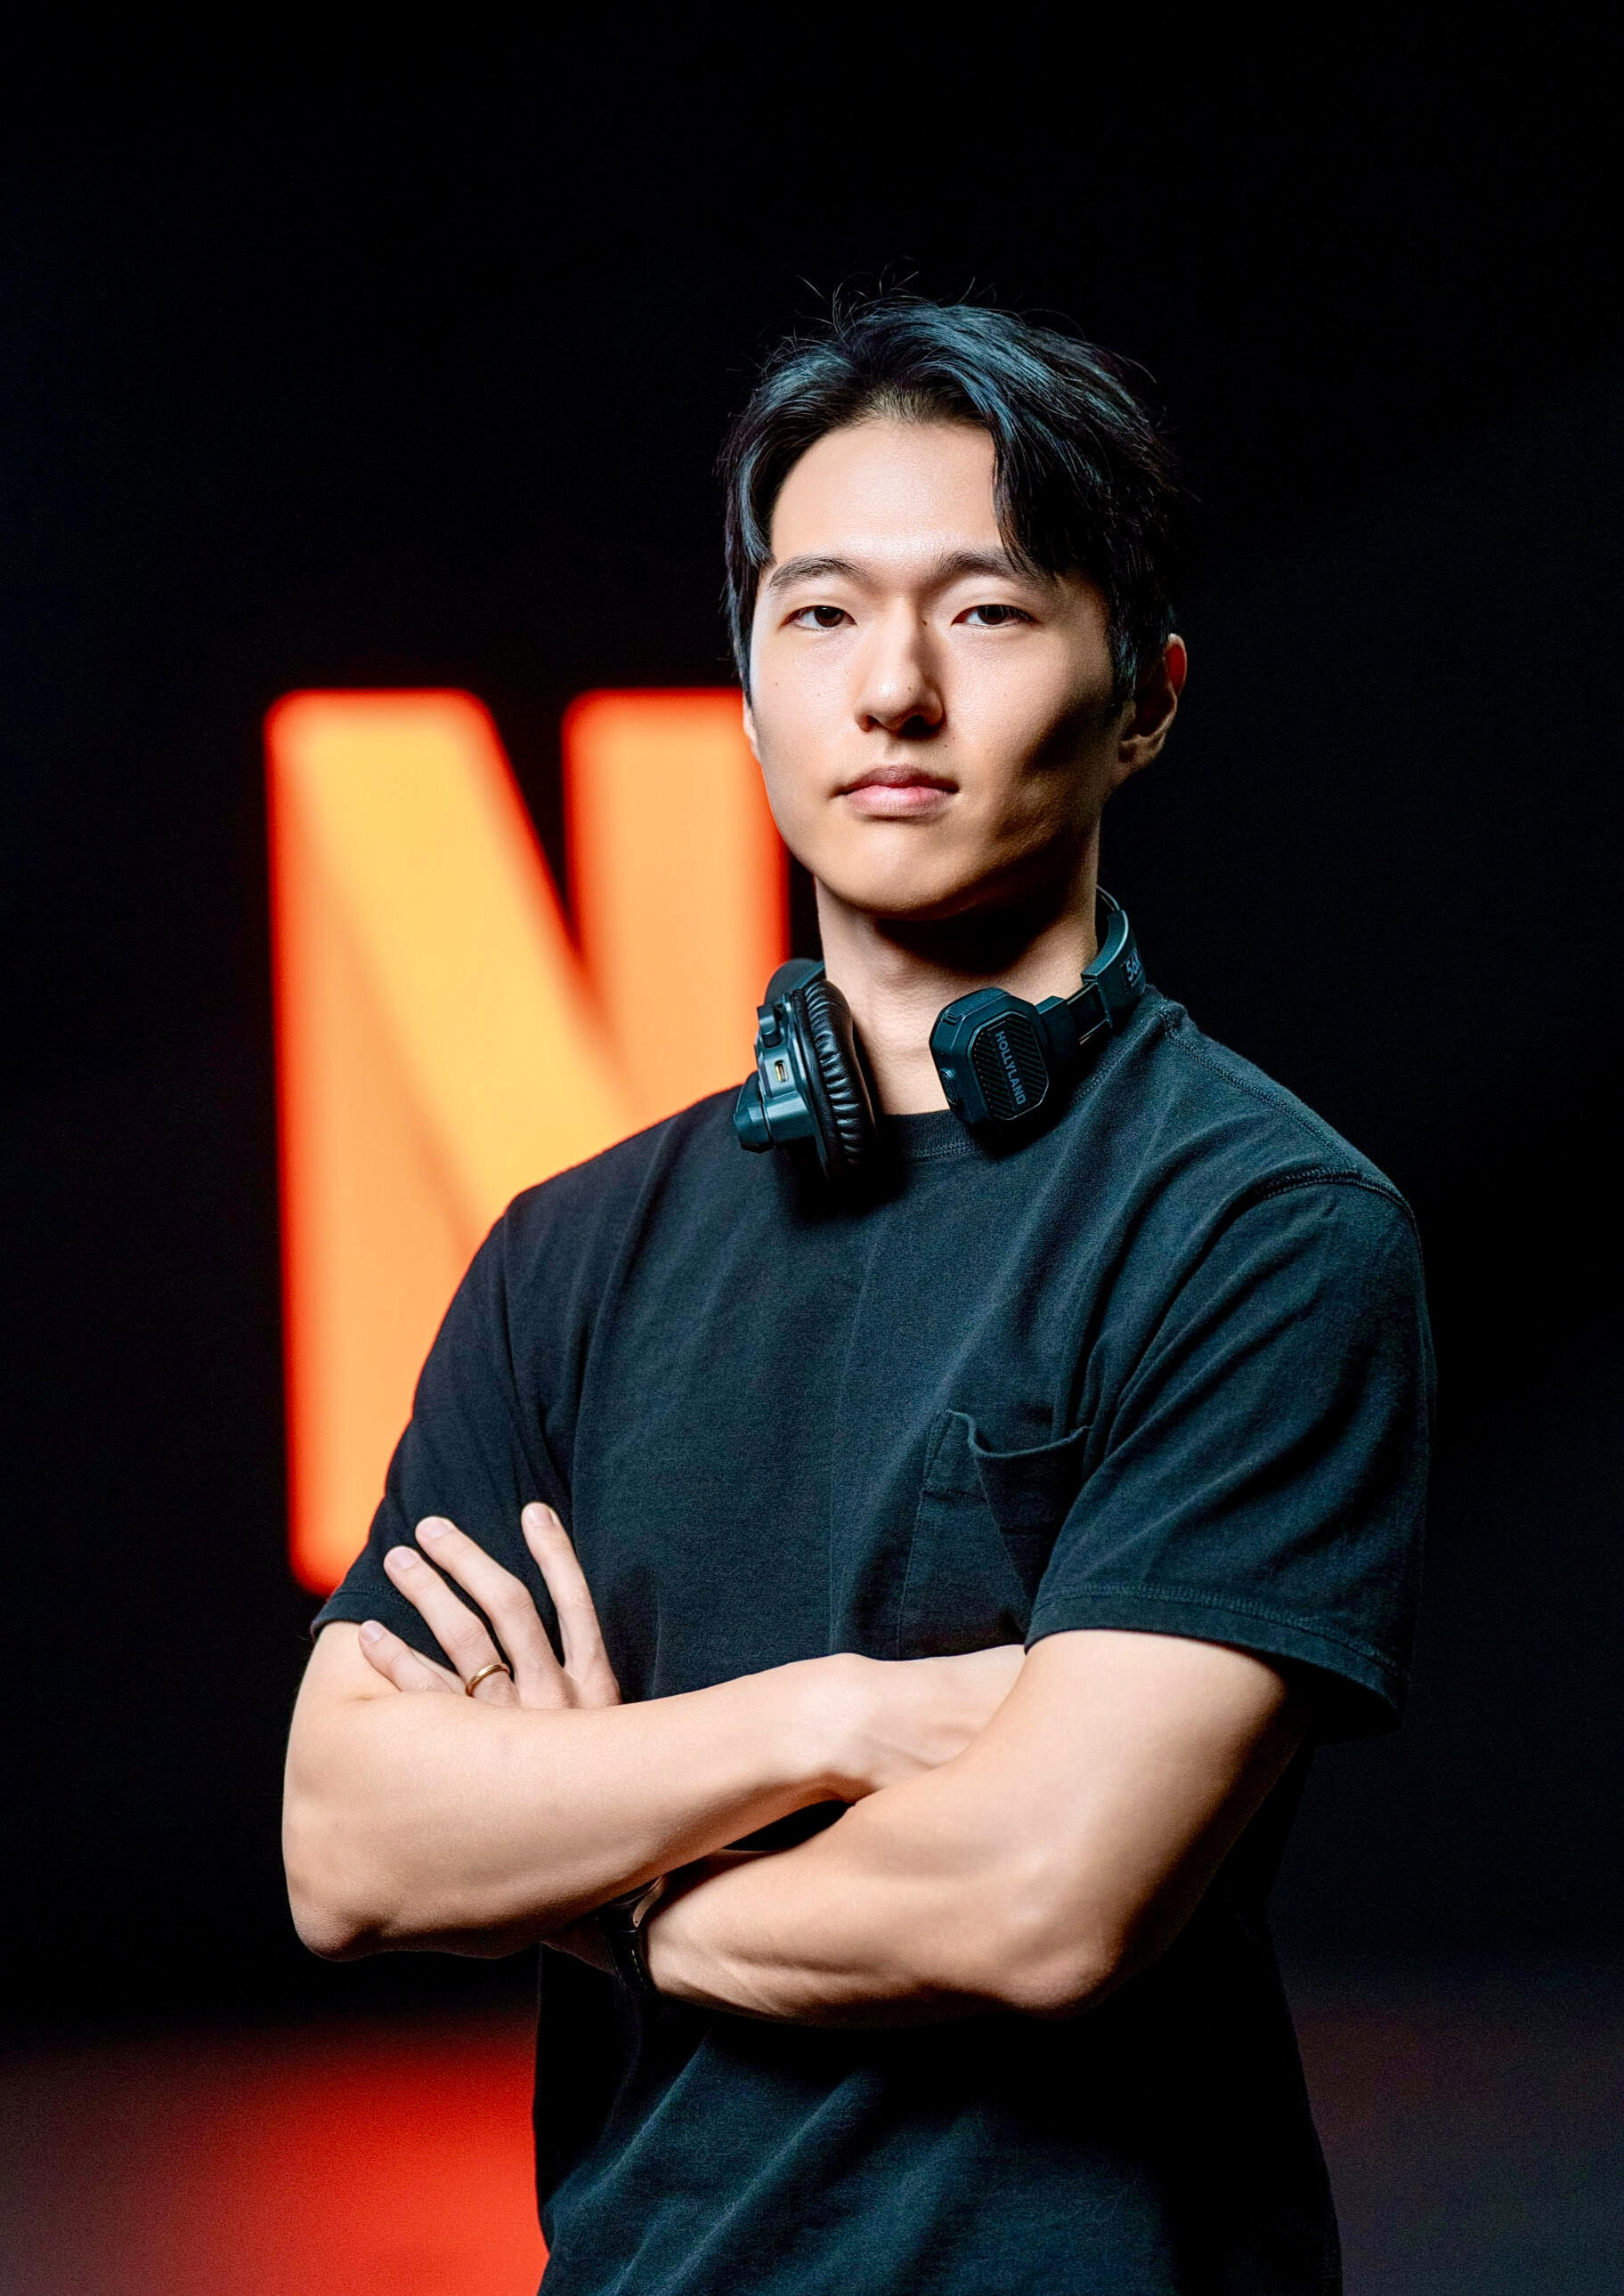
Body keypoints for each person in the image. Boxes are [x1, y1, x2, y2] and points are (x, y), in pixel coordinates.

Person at [283, 296, 1431, 2293]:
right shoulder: (566, 1252)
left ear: (1145, 697)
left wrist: (595, 1874)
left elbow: (1040, 1902)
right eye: (818, 614)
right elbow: (346, 1846)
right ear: (748, 691)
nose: (891, 690)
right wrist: (838, 1721)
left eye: (985, 612)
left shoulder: (1263, 1225)